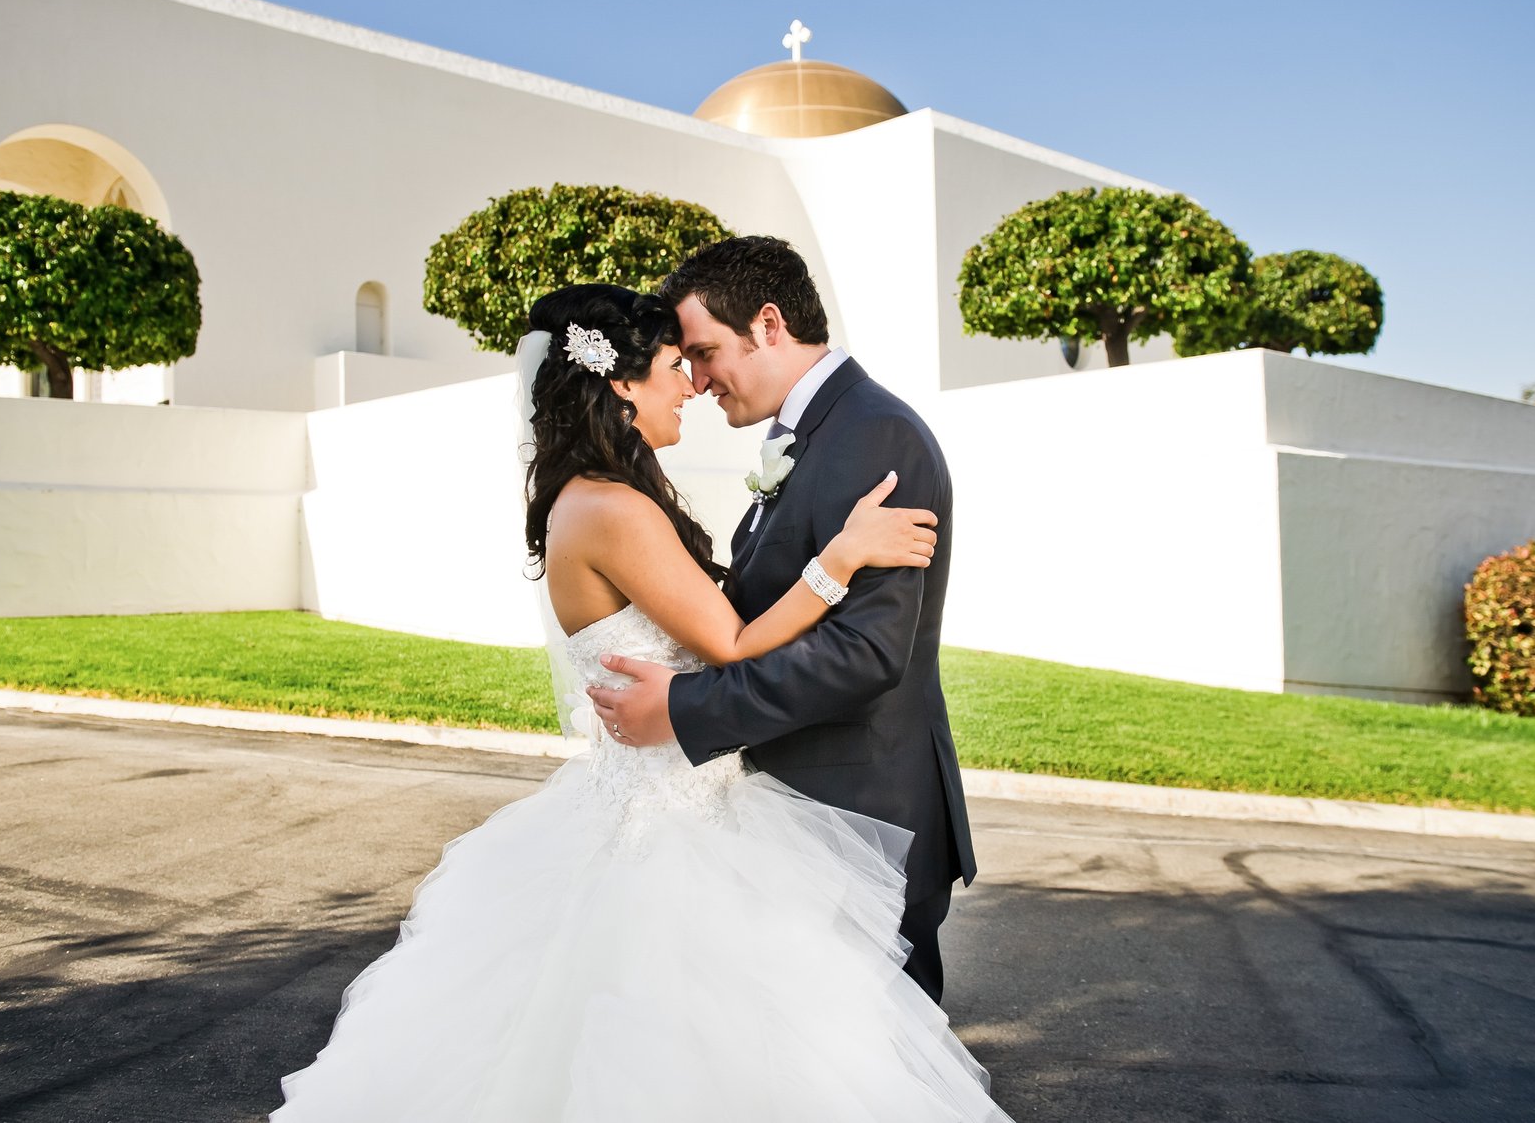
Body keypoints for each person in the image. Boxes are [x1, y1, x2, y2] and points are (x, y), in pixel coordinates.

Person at [272, 283, 1011, 1121]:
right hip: (670, 829)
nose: (691, 383)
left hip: (664, 804)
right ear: (621, 385)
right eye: (673, 365)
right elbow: (732, 640)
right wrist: (839, 558)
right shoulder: (614, 507)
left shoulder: (597, 496)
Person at [588, 235, 976, 1003]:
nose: (698, 380)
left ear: (768, 324)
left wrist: (685, 706)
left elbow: (864, 652)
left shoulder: (875, 434)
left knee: (873, 1059)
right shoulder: (803, 433)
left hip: (863, 816)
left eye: (705, 353)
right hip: (797, 816)